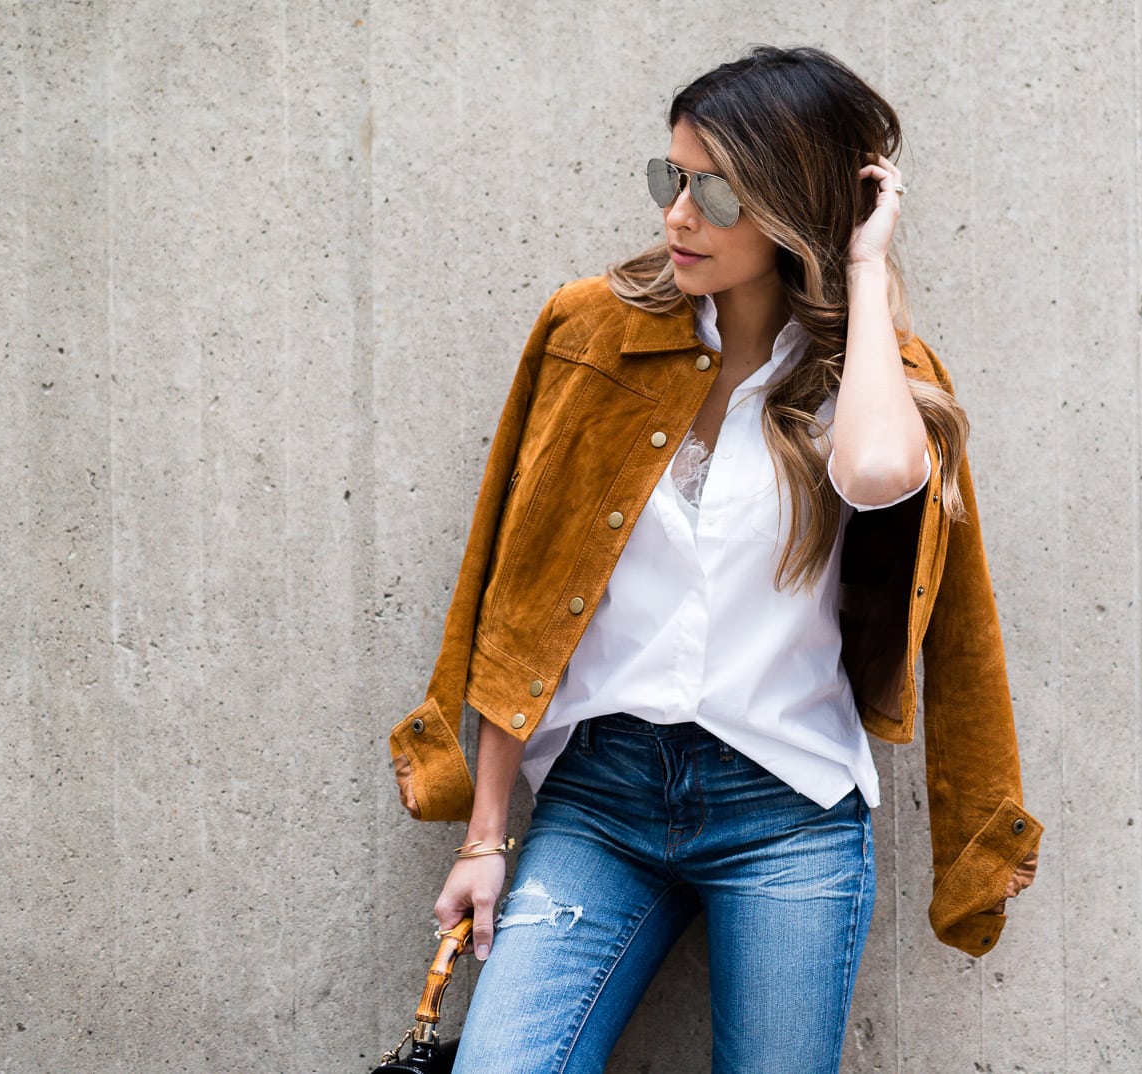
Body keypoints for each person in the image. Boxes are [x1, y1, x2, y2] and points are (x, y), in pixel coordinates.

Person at [387, 44, 1041, 1074]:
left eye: (715, 192)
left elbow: (874, 472)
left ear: (791, 208)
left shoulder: (871, 382)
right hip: (598, 800)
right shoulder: (589, 333)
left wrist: (863, 264)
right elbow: (516, 588)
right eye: (669, 180)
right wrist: (483, 836)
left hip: (785, 809)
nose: (678, 216)